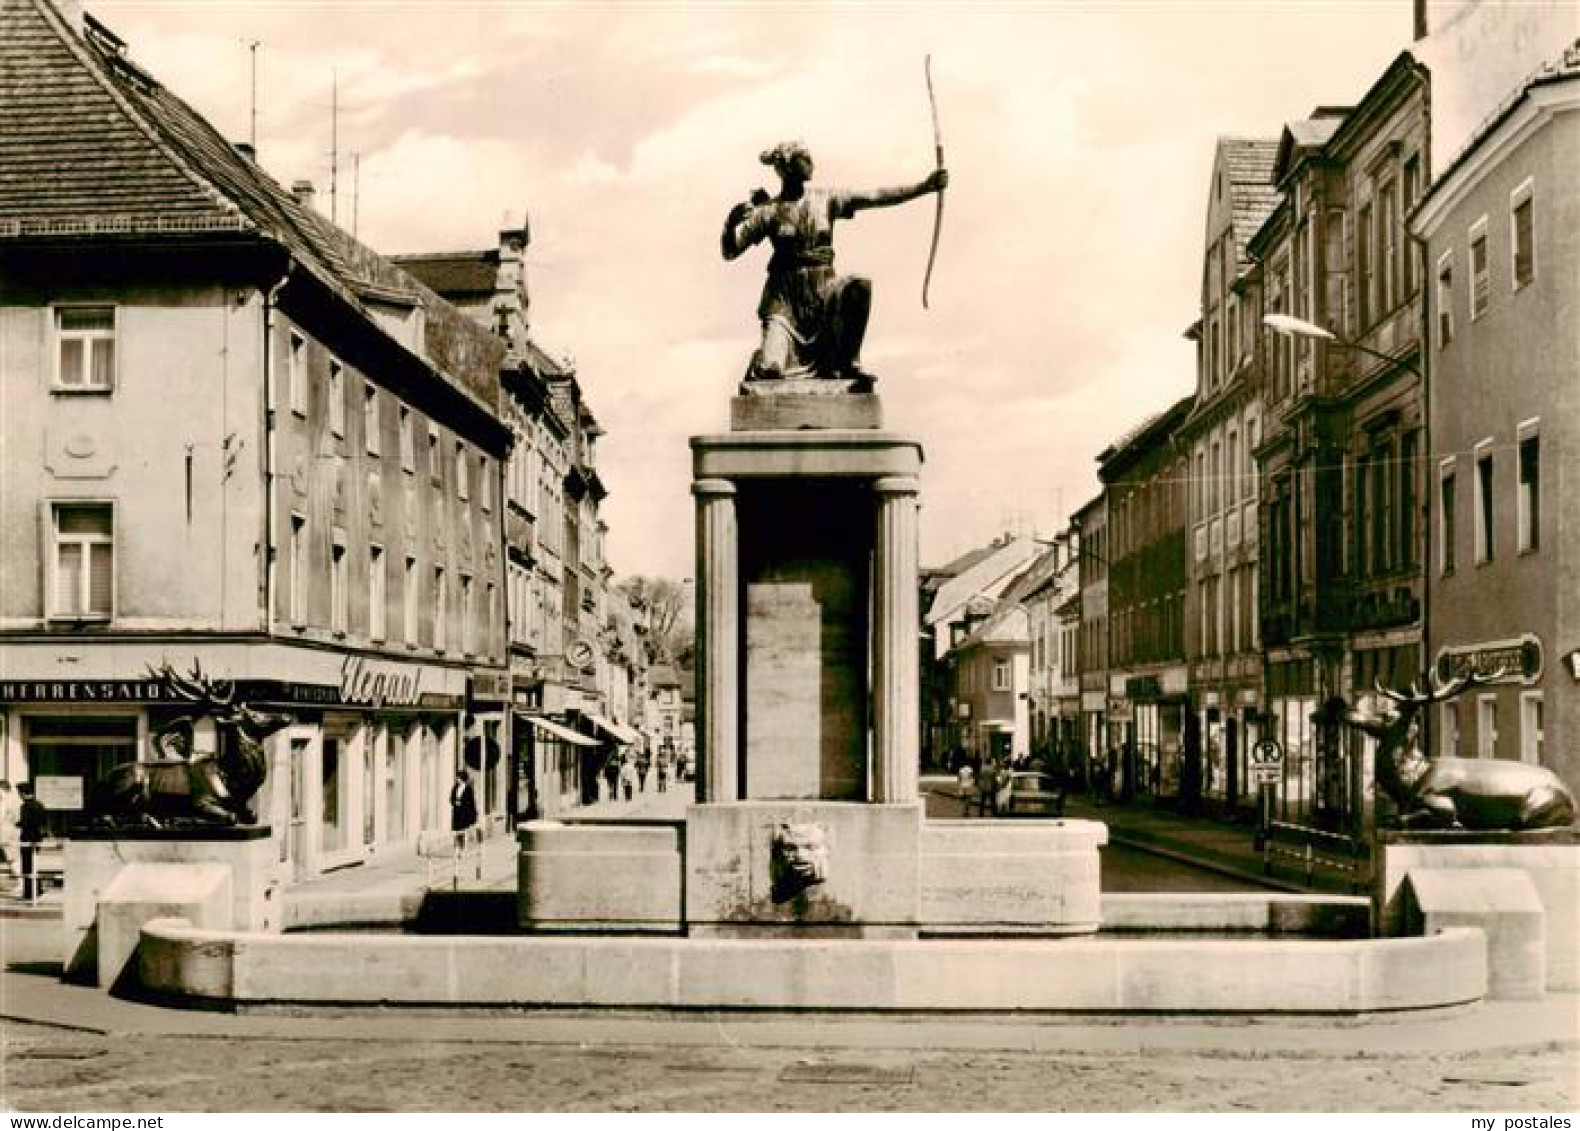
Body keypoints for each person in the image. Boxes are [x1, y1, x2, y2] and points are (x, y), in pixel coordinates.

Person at [721, 141, 947, 385]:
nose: (812, 164)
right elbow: (730, 251)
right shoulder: (768, 210)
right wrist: (729, 225)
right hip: (784, 304)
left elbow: (875, 196)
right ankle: (763, 360)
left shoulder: (825, 199)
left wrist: (924, 187)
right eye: (805, 158)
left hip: (823, 296)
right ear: (788, 166)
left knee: (858, 286)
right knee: (771, 371)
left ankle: (848, 362)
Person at [18, 784, 45, 901]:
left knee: (27, 866)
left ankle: (29, 892)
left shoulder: (25, 806)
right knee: (34, 865)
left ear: (23, 793)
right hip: (37, 838)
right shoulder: (39, 804)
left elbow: (25, 822)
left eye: (20, 793)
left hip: (27, 838)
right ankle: (37, 889)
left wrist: (17, 824)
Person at [449, 768, 478, 853]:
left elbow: (471, 801)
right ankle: (457, 848)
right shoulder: (455, 787)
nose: (457, 779)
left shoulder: (468, 788)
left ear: (462, 778)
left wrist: (473, 813)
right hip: (456, 812)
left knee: (463, 830)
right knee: (456, 831)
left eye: (458, 777)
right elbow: (451, 798)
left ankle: (463, 847)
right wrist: (455, 802)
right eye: (456, 777)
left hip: (465, 812)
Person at [0, 781, 20, 888]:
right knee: (12, 859)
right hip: (8, 833)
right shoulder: (14, 801)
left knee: (12, 859)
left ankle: (21, 883)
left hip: (7, 834)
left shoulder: (6, 802)